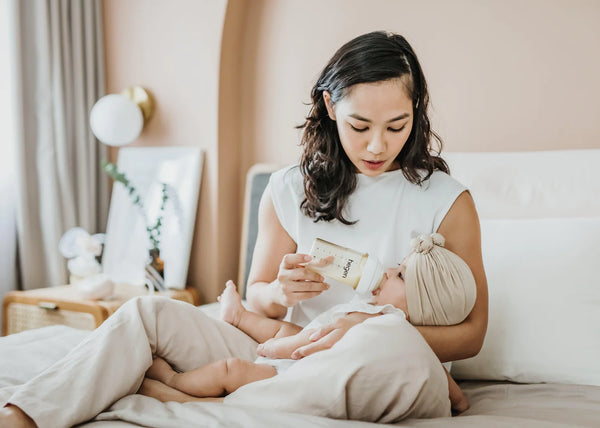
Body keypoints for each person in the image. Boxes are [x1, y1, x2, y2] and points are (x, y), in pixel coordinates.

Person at [0, 31, 487, 427]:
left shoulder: (446, 200)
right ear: (331, 106)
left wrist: (358, 329)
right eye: (360, 126)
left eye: (397, 125)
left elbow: (471, 333)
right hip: (283, 349)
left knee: (386, 343)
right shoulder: (287, 189)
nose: (378, 145)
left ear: (416, 113)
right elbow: (256, 299)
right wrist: (280, 290)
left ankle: (206, 401)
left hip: (383, 363)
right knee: (147, 312)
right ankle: (24, 414)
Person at [143, 233, 476, 413]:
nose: (388, 270)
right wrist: (459, 402)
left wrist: (274, 348)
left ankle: (175, 381)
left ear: (421, 303)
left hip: (294, 370)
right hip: (308, 345)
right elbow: (444, 382)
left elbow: (312, 346)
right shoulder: (404, 335)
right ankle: (239, 316)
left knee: (232, 370)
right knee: (289, 328)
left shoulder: (379, 323)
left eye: (400, 275)